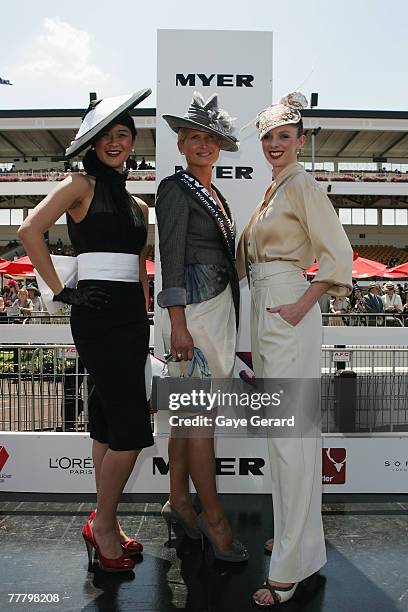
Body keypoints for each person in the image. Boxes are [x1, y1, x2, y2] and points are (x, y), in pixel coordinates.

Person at [18, 88, 153, 573]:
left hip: (133, 320)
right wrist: (60, 292)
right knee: (132, 431)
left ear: (133, 142)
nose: (115, 142)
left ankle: (106, 524)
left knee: (105, 421)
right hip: (95, 313)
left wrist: (146, 313)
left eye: (124, 134)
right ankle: (104, 527)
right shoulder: (79, 184)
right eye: (107, 137)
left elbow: (140, 264)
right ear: (93, 145)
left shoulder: (139, 202)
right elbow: (29, 230)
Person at [237, 92, 353, 606]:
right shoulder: (273, 189)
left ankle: (289, 564)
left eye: (285, 136)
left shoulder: (301, 185)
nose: (275, 144)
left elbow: (340, 256)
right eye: (268, 137)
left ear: (301, 141)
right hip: (269, 309)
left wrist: (301, 306)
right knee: (287, 434)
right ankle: (297, 538)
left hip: (286, 309)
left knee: (290, 437)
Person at [156, 91, 247, 562]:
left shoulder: (215, 194)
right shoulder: (175, 189)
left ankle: (178, 502)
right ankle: (213, 520)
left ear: (219, 147)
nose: (203, 145)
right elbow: (170, 258)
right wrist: (178, 323)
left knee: (185, 421)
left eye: (210, 139)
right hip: (190, 316)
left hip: (214, 311)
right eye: (194, 138)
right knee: (199, 423)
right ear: (181, 145)